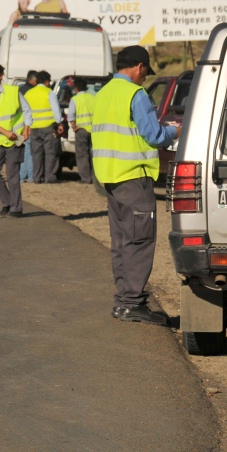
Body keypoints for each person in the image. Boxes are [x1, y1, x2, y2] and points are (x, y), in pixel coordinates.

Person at [92, 45, 179, 325]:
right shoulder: (135, 94)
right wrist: (175, 130)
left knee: (121, 241)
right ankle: (132, 303)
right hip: (134, 178)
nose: (144, 78)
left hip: (111, 179)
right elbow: (154, 136)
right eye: (145, 72)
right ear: (139, 67)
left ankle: (123, 302)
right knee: (140, 241)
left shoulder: (103, 93)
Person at [0, 62, 32, 218]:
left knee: (12, 175)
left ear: (1, 76)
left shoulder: (13, 91)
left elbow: (26, 109)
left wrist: (27, 127)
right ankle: (7, 202)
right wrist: (5, 132)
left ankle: (16, 209)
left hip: (14, 140)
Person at [26, 70, 63, 183]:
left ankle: (37, 177)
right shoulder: (49, 92)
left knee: (36, 154)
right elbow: (56, 110)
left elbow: (25, 111)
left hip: (34, 128)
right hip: (48, 127)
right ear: (47, 81)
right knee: (50, 153)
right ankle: (49, 177)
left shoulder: (29, 93)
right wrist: (59, 122)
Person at [68, 77, 95, 184]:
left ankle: (86, 178)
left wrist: (74, 127)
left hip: (82, 130)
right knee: (93, 154)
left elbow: (71, 115)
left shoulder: (75, 99)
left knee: (82, 155)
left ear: (76, 88)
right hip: (94, 130)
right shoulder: (93, 98)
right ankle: (95, 177)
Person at [18, 70, 39, 182]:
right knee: (29, 152)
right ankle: (29, 176)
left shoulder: (20, 89)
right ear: (32, 80)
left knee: (21, 152)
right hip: (28, 125)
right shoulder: (31, 91)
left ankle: (22, 176)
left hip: (19, 125)